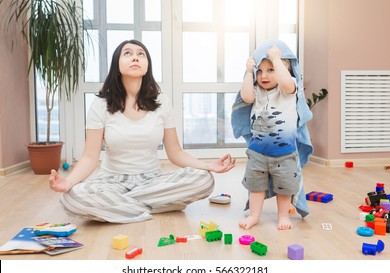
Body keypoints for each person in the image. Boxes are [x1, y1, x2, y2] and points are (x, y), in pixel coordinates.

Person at [49, 39, 235, 223]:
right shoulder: (100, 104)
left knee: (204, 180)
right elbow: (90, 157)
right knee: (71, 198)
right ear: (117, 64)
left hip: (152, 181)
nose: (135, 58)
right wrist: (68, 182)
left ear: (147, 66)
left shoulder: (162, 102)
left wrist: (209, 166)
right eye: (127, 53)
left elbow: (175, 152)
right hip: (110, 181)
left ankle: (123, 209)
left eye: (141, 54)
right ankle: (158, 205)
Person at [238, 42, 308, 230]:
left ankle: (283, 216)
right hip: (258, 152)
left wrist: (276, 58)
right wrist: (248, 72)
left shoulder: (289, 88)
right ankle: (254, 215)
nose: (264, 75)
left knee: (285, 186)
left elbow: (285, 83)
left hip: (285, 152)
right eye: (260, 71)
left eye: (270, 70)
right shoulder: (258, 91)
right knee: (256, 186)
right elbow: (246, 97)